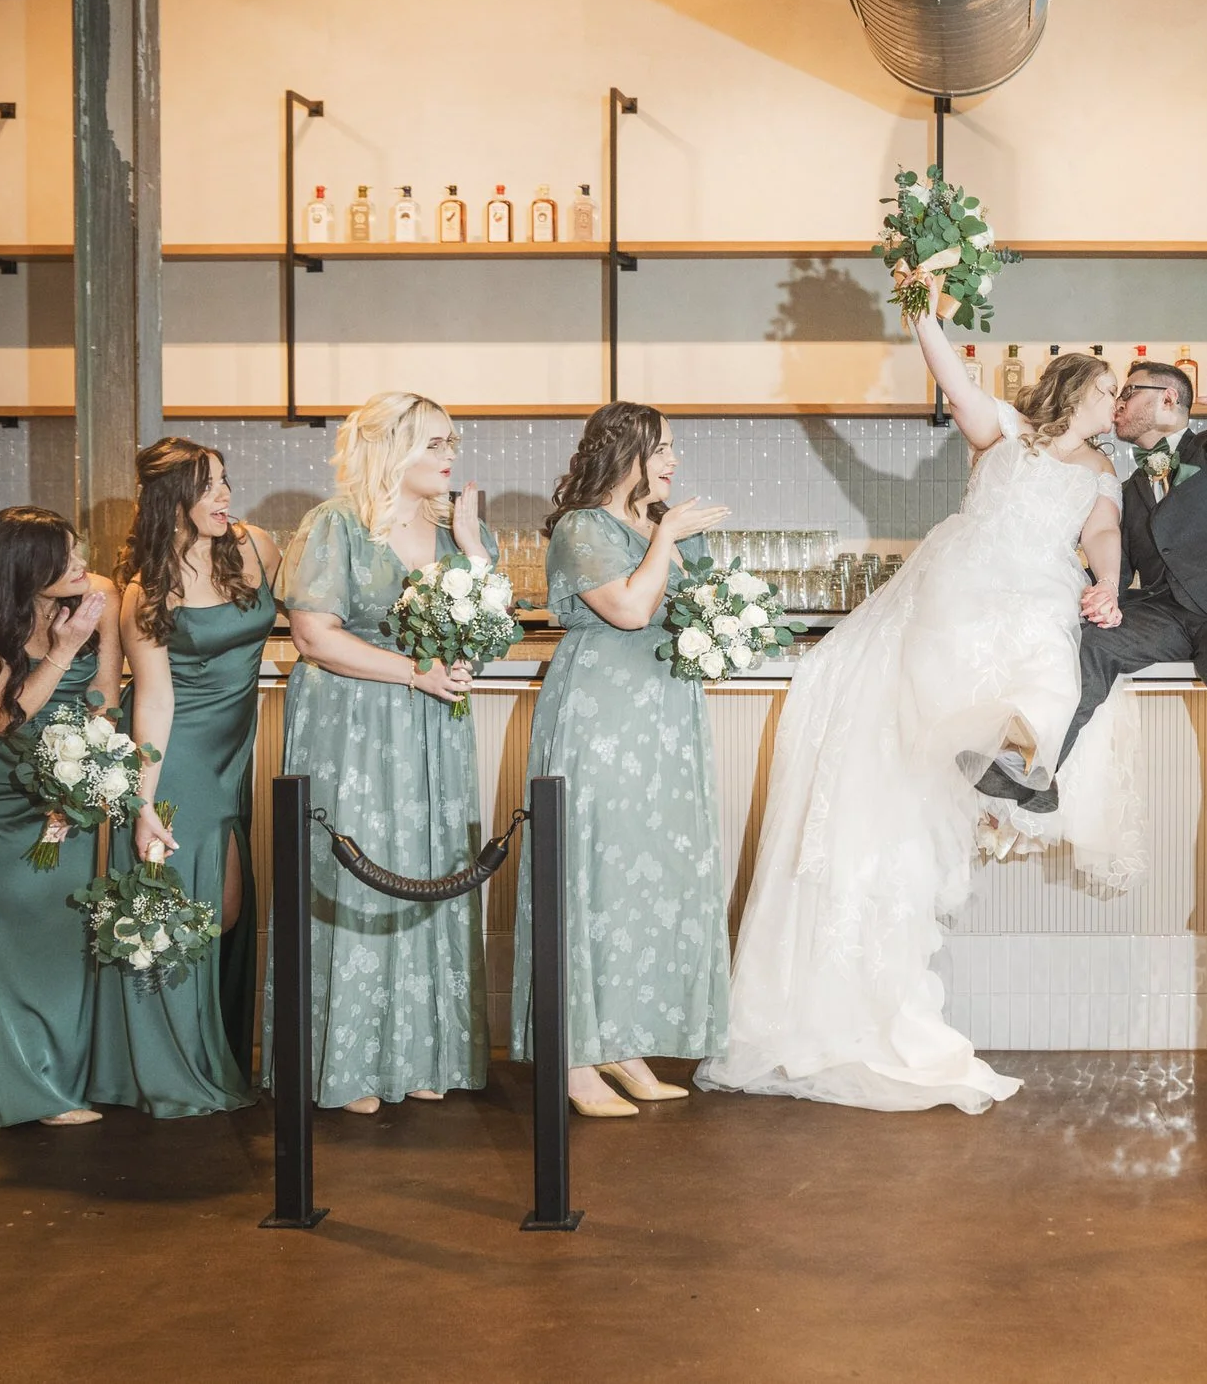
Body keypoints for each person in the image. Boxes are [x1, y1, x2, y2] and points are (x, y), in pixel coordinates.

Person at [700, 273, 1141, 1112]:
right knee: (948, 664)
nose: (1115, 401)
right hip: (964, 579)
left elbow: (1104, 533)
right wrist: (923, 315)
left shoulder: (1102, 470)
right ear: (1077, 389)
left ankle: (999, 770)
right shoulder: (1005, 432)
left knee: (1050, 671)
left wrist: (1109, 586)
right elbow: (954, 380)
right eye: (1109, 387)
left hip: (1039, 592)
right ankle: (970, 758)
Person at [275, 391, 498, 1115]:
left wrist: (470, 550)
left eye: (452, 443)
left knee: (430, 864)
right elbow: (313, 636)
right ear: (389, 448)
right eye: (435, 443)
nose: (450, 456)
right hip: (353, 723)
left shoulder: (463, 530)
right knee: (359, 867)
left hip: (436, 725)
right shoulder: (334, 525)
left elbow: (486, 628)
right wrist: (413, 672)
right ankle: (351, 1060)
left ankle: (424, 1050)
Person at [515, 403, 732, 1117]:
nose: (673, 459)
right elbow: (633, 611)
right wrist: (668, 532)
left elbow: (685, 608)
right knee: (593, 873)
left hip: (665, 718)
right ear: (625, 452)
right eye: (661, 447)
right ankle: (575, 1055)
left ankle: (621, 1042)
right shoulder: (584, 527)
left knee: (648, 878)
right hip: (602, 717)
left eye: (674, 446)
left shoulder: (654, 521)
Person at [1019, 351, 1207, 905]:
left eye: (1128, 392)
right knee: (1089, 643)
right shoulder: (1126, 484)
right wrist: (1104, 593)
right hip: (1162, 613)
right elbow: (1117, 558)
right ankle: (1038, 777)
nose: (1116, 405)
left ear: (1168, 399)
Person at [91, 438, 276, 1119]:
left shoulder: (257, 547)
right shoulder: (147, 588)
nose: (226, 497)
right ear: (172, 499)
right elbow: (155, 701)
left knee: (224, 909)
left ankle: (212, 1044)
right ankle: (176, 1059)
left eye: (227, 481)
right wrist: (142, 802)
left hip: (237, 752)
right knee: (207, 908)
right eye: (210, 487)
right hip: (186, 757)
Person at [0, 506, 122, 1127]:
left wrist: (94, 766)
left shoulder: (91, 601)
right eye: (64, 556)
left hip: (64, 784)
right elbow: (5, 718)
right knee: (9, 934)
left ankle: (57, 1078)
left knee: (58, 930)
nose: (80, 563)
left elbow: (105, 696)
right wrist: (64, 650)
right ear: (25, 569)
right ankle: (26, 1090)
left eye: (76, 549)